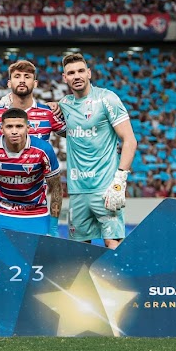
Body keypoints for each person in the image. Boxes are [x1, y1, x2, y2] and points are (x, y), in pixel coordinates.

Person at [0, 59, 66, 235]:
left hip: (35, 207)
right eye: (17, 76)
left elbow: (75, 135)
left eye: (27, 76)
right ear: (9, 83)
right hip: (0, 206)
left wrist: (63, 106)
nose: (22, 80)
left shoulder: (47, 113)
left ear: (35, 83)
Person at [56, 53, 137, 249]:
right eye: (71, 73)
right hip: (77, 190)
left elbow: (129, 140)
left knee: (113, 243)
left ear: (89, 73)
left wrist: (119, 182)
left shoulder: (106, 98)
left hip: (105, 188)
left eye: (81, 71)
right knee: (79, 250)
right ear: (64, 78)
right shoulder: (64, 105)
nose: (77, 76)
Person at [0, 108, 62, 235]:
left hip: (35, 213)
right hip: (0, 211)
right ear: (1, 128)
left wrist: (53, 227)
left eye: (19, 126)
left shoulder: (43, 150)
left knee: (37, 249)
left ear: (28, 128)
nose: (14, 131)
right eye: (9, 126)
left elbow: (56, 188)